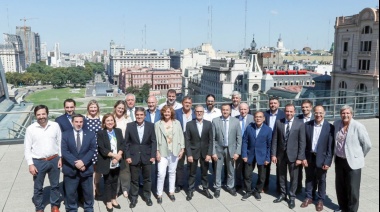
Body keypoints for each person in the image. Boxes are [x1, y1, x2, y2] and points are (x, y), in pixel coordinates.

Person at [333, 105, 372, 212]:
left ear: (352, 114)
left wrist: (358, 156)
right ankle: (342, 207)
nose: (345, 115)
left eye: (347, 113)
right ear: (340, 114)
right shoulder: (336, 124)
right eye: (343, 113)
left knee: (353, 189)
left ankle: (352, 210)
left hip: (353, 162)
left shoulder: (358, 126)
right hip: (340, 160)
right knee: (340, 186)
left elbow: (367, 145)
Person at [24, 105, 62, 212]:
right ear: (35, 115)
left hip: (54, 159)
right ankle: (39, 207)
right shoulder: (30, 129)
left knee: (55, 185)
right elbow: (27, 148)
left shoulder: (55, 125)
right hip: (38, 162)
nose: (41, 116)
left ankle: (54, 205)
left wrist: (61, 157)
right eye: (38, 114)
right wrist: (30, 164)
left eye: (43, 114)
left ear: (47, 114)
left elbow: (60, 142)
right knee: (38, 187)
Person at [271, 103, 306, 209]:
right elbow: (275, 140)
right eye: (287, 111)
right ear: (284, 111)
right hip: (281, 155)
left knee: (293, 177)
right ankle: (282, 194)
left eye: (291, 111)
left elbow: (302, 142)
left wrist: (300, 157)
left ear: (294, 112)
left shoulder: (300, 124)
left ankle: (292, 197)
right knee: (281, 175)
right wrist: (273, 154)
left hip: (294, 156)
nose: (289, 113)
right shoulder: (278, 122)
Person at [300, 105, 334, 211]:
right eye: (316, 113)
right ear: (313, 113)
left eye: (320, 113)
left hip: (322, 158)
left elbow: (330, 147)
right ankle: (309, 197)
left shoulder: (329, 127)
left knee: (321, 179)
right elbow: (303, 143)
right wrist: (303, 157)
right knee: (309, 178)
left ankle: (320, 200)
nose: (318, 115)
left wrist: (328, 161)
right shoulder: (307, 125)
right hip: (309, 156)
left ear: (324, 113)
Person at [61, 114, 97, 212]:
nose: (78, 124)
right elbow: (64, 151)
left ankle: (89, 207)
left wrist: (83, 162)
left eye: (81, 122)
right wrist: (76, 163)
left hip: (86, 168)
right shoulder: (65, 134)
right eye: (76, 122)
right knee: (71, 192)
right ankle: (72, 208)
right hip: (70, 169)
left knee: (88, 192)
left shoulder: (90, 134)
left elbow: (92, 149)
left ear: (83, 122)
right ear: (72, 122)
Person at [125, 107, 157, 208]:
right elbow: (126, 143)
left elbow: (153, 141)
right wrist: (128, 156)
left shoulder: (151, 126)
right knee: (134, 179)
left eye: (141, 115)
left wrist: (153, 155)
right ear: (135, 115)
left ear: (145, 115)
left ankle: (147, 196)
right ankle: (133, 198)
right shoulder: (130, 126)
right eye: (137, 115)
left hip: (147, 156)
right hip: (134, 156)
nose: (139, 117)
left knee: (147, 178)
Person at [155, 105, 185, 204]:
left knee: (172, 172)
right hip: (162, 152)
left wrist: (182, 149)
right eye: (165, 112)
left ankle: (171, 192)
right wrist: (157, 151)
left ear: (171, 112)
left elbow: (181, 136)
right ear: (162, 113)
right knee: (161, 173)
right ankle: (159, 194)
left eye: (168, 112)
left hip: (174, 151)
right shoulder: (158, 124)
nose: (167, 113)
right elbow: (155, 140)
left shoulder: (177, 123)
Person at [96, 114, 126, 212]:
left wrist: (119, 155)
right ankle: (108, 201)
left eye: (111, 120)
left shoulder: (118, 131)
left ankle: (114, 199)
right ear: (104, 122)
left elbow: (122, 144)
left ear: (114, 121)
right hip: (107, 161)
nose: (110, 122)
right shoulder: (101, 133)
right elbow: (101, 148)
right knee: (108, 182)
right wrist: (114, 155)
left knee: (115, 181)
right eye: (107, 120)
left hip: (117, 161)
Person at [212, 103, 242, 198]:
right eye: (223, 110)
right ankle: (217, 187)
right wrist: (213, 152)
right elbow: (212, 138)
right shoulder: (215, 121)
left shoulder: (236, 121)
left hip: (231, 149)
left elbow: (239, 138)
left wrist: (237, 152)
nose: (225, 111)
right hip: (219, 149)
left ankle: (230, 186)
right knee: (218, 169)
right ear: (221, 111)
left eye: (227, 110)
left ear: (230, 111)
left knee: (231, 169)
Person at [241, 111, 272, 201]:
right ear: (254, 118)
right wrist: (244, 154)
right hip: (249, 154)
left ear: (263, 118)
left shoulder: (268, 129)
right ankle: (248, 191)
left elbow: (269, 145)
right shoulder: (249, 127)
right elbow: (245, 141)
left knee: (262, 176)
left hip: (262, 156)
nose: (258, 118)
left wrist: (267, 158)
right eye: (256, 117)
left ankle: (257, 191)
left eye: (260, 117)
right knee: (247, 174)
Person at [185, 105, 214, 201]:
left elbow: (211, 140)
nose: (199, 113)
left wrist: (209, 153)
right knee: (192, 173)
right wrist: (189, 154)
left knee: (204, 173)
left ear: (203, 113)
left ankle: (205, 189)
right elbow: (187, 141)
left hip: (205, 153)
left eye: (201, 111)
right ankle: (190, 189)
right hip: (193, 153)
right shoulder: (189, 124)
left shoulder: (208, 124)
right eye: (197, 111)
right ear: (194, 112)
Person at [174, 96, 196, 193]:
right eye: (185, 102)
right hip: (180, 141)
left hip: (192, 141)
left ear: (191, 104)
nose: (187, 104)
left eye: (189, 103)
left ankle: (190, 184)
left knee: (191, 164)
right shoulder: (176, 112)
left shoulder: (195, 113)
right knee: (180, 164)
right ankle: (179, 184)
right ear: (182, 103)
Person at [263, 96, 285, 192]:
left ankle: (279, 187)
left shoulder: (283, 115)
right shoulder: (264, 114)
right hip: (266, 144)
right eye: (271, 103)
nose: (273, 105)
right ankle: (265, 185)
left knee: (279, 167)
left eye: (275, 103)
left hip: (279, 143)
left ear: (278, 104)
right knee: (265, 166)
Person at [112, 100, 132, 198]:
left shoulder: (127, 119)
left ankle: (125, 188)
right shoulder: (111, 118)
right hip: (113, 149)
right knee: (114, 170)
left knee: (125, 170)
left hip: (125, 148)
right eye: (119, 108)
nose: (120, 110)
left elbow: (130, 135)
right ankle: (115, 190)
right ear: (115, 107)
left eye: (122, 108)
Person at [84, 100, 103, 196]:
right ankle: (91, 188)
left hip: (99, 148)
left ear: (98, 108)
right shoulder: (84, 119)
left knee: (98, 169)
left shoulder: (101, 118)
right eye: (91, 107)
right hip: (88, 148)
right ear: (88, 108)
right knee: (89, 168)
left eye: (95, 107)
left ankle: (97, 186)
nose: (93, 109)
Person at [296, 99, 314, 195]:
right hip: (299, 150)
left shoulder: (316, 118)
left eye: (307, 107)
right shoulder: (297, 118)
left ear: (311, 107)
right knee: (298, 172)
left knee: (310, 173)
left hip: (310, 151)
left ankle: (310, 192)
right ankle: (298, 188)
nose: (305, 109)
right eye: (303, 107)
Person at [235, 102, 254, 191]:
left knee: (248, 168)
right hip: (238, 146)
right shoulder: (235, 119)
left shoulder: (252, 119)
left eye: (245, 109)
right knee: (238, 167)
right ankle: (238, 183)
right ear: (239, 110)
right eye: (241, 109)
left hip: (249, 147)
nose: (243, 111)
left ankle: (248, 185)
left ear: (248, 109)